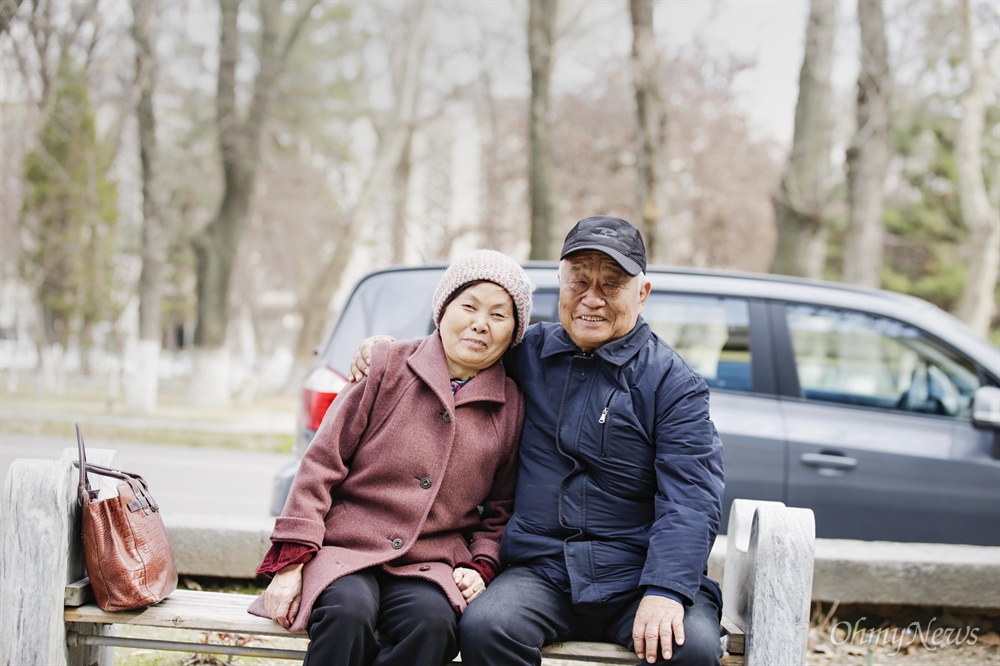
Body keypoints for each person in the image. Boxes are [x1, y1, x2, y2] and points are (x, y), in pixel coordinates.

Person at [350, 216, 725, 665]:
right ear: (560, 286)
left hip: (637, 574)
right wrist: (388, 351)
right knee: (486, 627)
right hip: (542, 570)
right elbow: (460, 344)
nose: (591, 299)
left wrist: (665, 589)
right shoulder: (527, 353)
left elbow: (691, 500)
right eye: (579, 282)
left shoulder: (673, 384)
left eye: (611, 285)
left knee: (690, 650)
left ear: (642, 293)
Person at [248, 250, 534, 666]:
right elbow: (319, 465)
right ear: (443, 309)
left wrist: (482, 564)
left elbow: (502, 509)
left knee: (434, 625)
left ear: (513, 331)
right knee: (347, 612)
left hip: (430, 561)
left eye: (498, 315)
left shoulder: (510, 406)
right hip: (345, 548)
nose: (480, 324)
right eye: (468, 306)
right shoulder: (385, 366)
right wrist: (291, 562)